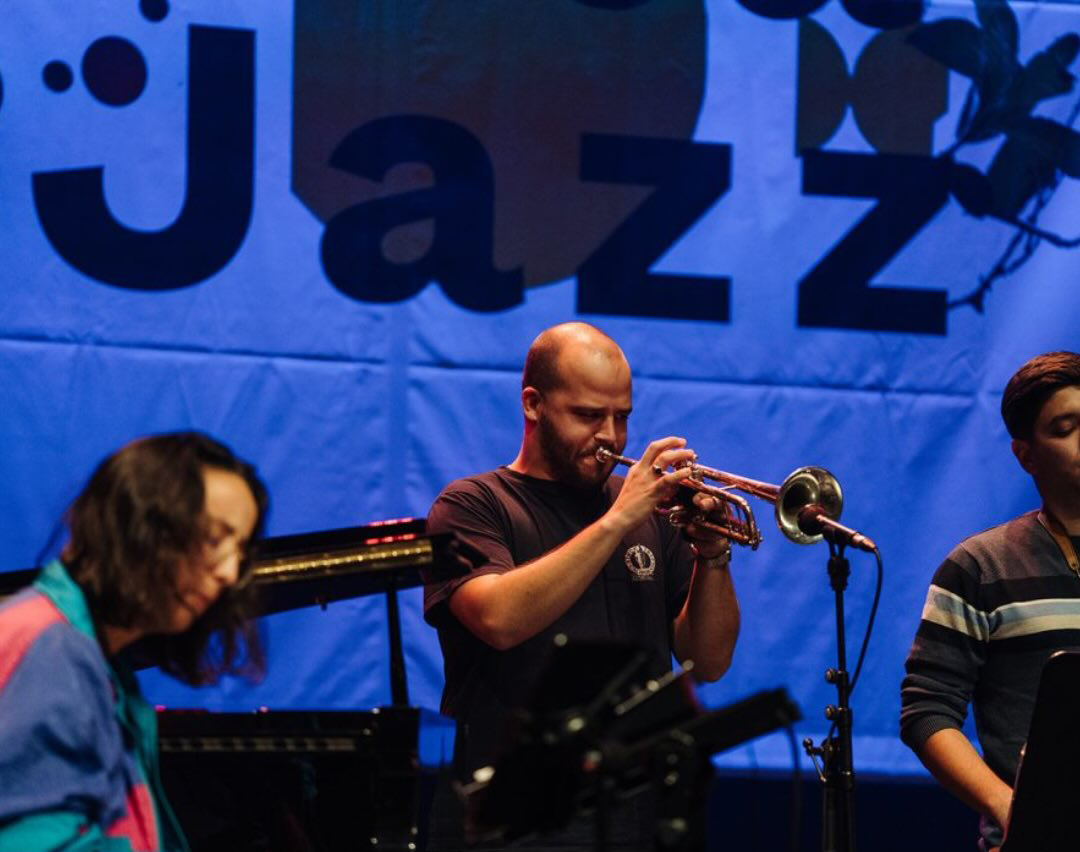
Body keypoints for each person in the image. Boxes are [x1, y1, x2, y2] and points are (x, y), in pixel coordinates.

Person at [424, 322, 740, 850]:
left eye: (622, 417)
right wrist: (618, 519)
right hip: (510, 808)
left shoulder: (651, 513)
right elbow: (498, 620)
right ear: (533, 405)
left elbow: (707, 663)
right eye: (589, 415)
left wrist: (712, 555)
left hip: (637, 802)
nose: (611, 436)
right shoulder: (472, 505)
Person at [0, 432, 268, 852]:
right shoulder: (54, 649)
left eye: (241, 550)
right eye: (215, 539)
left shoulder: (94, 657)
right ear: (143, 527)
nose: (230, 573)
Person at [900, 351, 1080, 852]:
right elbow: (926, 711)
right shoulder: (980, 566)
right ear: (1026, 455)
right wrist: (1009, 807)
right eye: (1065, 428)